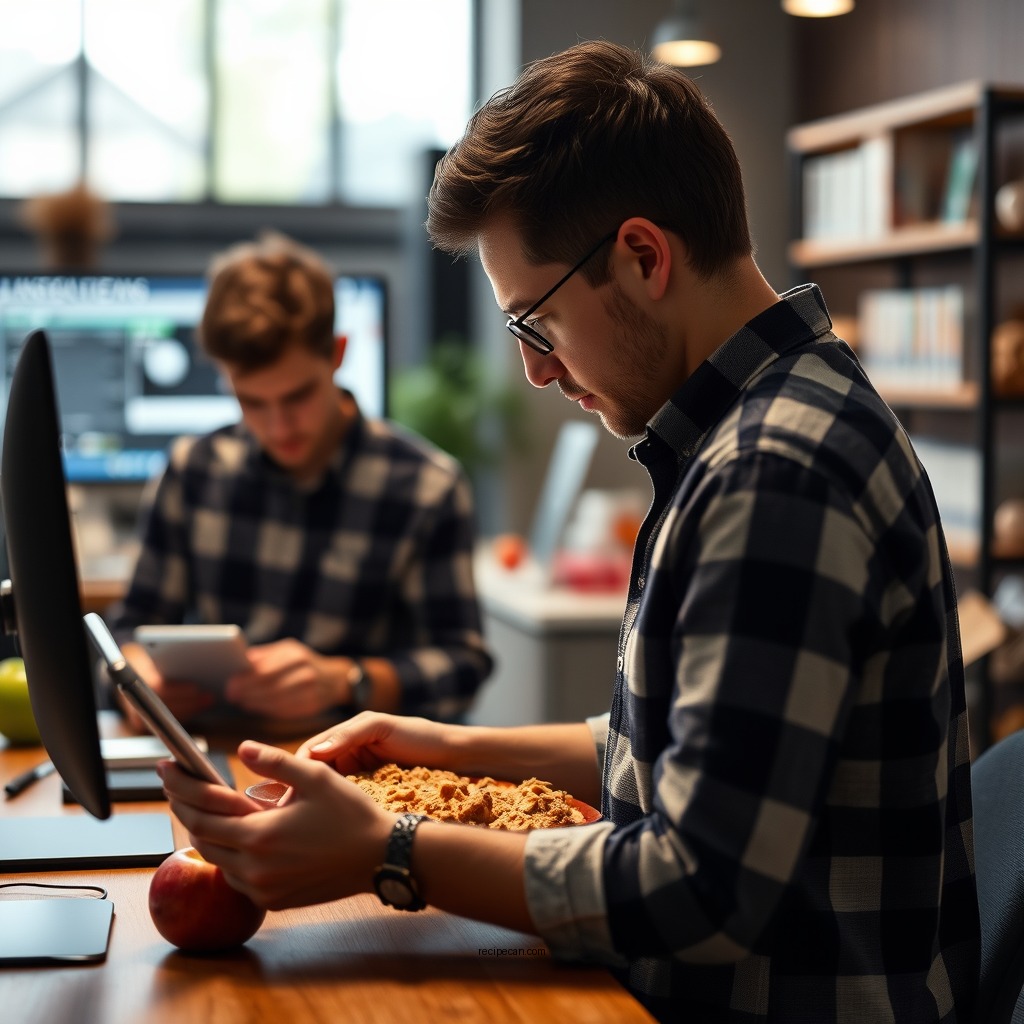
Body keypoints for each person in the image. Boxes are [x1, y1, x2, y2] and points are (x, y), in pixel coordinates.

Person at [159, 41, 979, 1022]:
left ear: (642, 256)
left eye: (534, 324)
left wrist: (392, 850)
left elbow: (698, 886)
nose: (538, 371)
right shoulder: (754, 428)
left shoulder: (774, 475)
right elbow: (686, 748)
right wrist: (446, 748)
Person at [110, 232, 492, 734]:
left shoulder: (425, 487)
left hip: (359, 768)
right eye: (252, 402)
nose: (278, 427)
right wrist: (134, 682)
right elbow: (124, 629)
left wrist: (346, 680)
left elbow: (463, 665)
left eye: (298, 396)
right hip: (214, 752)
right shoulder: (192, 470)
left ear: (337, 353)